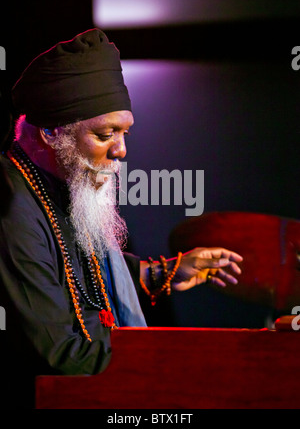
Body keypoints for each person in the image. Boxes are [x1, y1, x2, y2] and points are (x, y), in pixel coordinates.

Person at [0, 29, 243, 408]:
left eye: (125, 132)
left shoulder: (55, 183)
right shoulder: (9, 209)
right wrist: (188, 363)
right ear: (50, 133)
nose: (122, 149)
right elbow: (58, 353)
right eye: (104, 134)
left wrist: (157, 273)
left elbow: (73, 274)